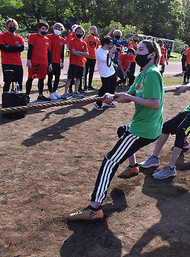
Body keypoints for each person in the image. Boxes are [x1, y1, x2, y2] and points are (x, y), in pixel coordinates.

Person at [68, 40, 164, 220]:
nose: (137, 52)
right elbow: (130, 96)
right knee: (122, 130)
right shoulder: (143, 74)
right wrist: (113, 97)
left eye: (141, 50)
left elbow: (154, 103)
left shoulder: (152, 74)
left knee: (110, 160)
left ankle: (94, 208)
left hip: (144, 129)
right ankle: (133, 167)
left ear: (151, 54)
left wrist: (128, 96)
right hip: (144, 127)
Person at [25, 22, 52, 102]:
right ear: (39, 29)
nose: (44, 30)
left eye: (46, 29)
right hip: (35, 61)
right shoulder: (33, 37)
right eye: (43, 29)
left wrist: (49, 63)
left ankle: (40, 95)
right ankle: (27, 95)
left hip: (44, 62)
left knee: (41, 79)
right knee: (31, 78)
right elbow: (30, 49)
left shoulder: (48, 40)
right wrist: (29, 60)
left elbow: (49, 53)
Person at [0, 18, 25, 92]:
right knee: (8, 81)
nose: (12, 27)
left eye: (13, 25)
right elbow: (3, 48)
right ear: (7, 26)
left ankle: (18, 97)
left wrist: (9, 46)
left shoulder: (19, 38)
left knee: (19, 81)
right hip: (6, 62)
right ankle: (6, 97)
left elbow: (21, 48)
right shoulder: (2, 35)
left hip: (17, 62)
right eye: (10, 25)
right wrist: (15, 48)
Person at [62, 26, 88, 99]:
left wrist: (78, 53)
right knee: (70, 78)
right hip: (73, 63)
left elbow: (86, 53)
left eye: (81, 32)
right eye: (78, 31)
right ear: (75, 32)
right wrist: (81, 53)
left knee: (78, 78)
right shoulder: (72, 40)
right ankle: (65, 92)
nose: (79, 33)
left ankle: (76, 92)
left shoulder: (83, 43)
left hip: (81, 63)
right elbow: (73, 52)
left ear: (83, 33)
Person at [94, 37, 118, 111]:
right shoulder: (98, 51)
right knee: (104, 88)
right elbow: (106, 60)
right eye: (109, 44)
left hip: (111, 71)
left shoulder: (107, 51)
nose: (110, 46)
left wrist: (112, 52)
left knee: (112, 87)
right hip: (105, 73)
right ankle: (98, 104)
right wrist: (111, 52)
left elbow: (111, 58)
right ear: (105, 44)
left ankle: (108, 102)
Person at [47, 22, 66, 100]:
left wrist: (62, 62)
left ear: (61, 31)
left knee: (57, 77)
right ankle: (50, 92)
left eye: (59, 29)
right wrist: (49, 62)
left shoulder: (62, 40)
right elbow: (48, 51)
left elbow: (62, 53)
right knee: (50, 77)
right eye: (56, 28)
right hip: (50, 61)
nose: (57, 30)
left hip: (58, 61)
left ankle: (54, 91)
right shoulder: (48, 37)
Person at [83, 25, 101, 91]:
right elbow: (83, 45)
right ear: (90, 30)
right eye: (93, 29)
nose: (94, 30)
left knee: (91, 71)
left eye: (95, 29)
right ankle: (85, 85)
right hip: (87, 57)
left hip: (94, 57)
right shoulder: (87, 37)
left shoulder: (97, 39)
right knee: (86, 72)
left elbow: (99, 46)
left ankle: (90, 85)